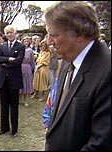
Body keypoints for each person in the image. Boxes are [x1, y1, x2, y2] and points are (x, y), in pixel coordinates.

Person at [43, 1, 111, 150]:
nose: (48, 42)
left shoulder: (107, 72)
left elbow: (102, 144)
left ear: (79, 34)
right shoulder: (68, 59)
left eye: (53, 35)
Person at [0, 25, 25, 138]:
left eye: (11, 32)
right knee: (4, 105)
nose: (9, 34)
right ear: (5, 34)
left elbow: (18, 61)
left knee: (14, 106)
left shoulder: (21, 46)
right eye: (7, 33)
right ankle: (4, 128)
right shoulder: (2, 46)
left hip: (14, 80)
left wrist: (5, 63)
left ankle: (14, 130)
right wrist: (9, 59)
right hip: (3, 80)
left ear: (15, 33)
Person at [19, 35, 35, 106]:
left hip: (27, 68)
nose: (26, 42)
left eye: (27, 41)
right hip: (20, 67)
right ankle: (19, 99)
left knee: (27, 84)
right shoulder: (19, 49)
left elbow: (32, 61)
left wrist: (31, 69)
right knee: (20, 84)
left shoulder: (30, 50)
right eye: (25, 41)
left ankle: (25, 100)